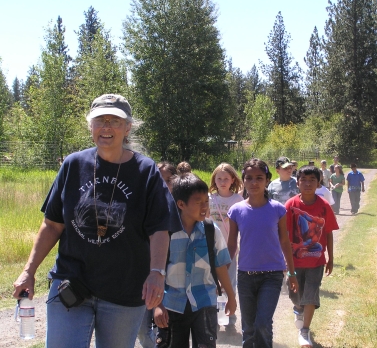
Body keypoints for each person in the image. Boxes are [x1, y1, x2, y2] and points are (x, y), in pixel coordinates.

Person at [13, 94, 180, 348]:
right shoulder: (73, 165)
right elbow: (52, 224)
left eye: (114, 120)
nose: (107, 127)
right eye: (100, 120)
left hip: (124, 290)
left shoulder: (145, 171)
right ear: (90, 125)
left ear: (127, 127)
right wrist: (28, 271)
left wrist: (157, 273)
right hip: (72, 283)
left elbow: (159, 229)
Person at [153, 173, 237, 347]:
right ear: (181, 204)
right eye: (199, 202)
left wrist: (231, 296)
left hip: (205, 302)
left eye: (206, 201)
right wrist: (157, 305)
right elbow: (155, 271)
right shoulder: (165, 233)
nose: (205, 207)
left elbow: (220, 266)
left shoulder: (211, 230)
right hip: (172, 305)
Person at [227, 158, 298, 348]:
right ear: (243, 181)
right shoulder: (236, 210)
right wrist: (224, 271)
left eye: (259, 178)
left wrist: (291, 273)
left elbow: (285, 241)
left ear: (267, 180)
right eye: (249, 178)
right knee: (248, 327)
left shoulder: (277, 209)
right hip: (245, 276)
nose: (254, 182)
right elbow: (232, 243)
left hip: (272, 275)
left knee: (263, 324)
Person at [285, 165, 339, 347]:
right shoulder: (291, 205)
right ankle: (298, 308)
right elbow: (284, 235)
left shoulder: (324, 206)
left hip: (316, 261)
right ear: (297, 182)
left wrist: (331, 258)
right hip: (295, 261)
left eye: (312, 180)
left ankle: (304, 331)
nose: (307, 184)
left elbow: (329, 232)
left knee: (311, 295)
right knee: (295, 295)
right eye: (304, 180)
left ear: (318, 183)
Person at [138, 161, 178, 348]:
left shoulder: (182, 211)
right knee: (142, 329)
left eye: (168, 180)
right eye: (158, 179)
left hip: (171, 280)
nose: (163, 184)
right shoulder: (142, 207)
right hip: (143, 275)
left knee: (167, 330)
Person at [206, 163, 243, 327]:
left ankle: (231, 310)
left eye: (226, 178)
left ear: (233, 179)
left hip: (230, 247)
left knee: (229, 279)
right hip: (210, 246)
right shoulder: (209, 198)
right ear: (214, 179)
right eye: (219, 178)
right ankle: (213, 310)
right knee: (210, 279)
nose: (222, 181)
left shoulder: (238, 199)